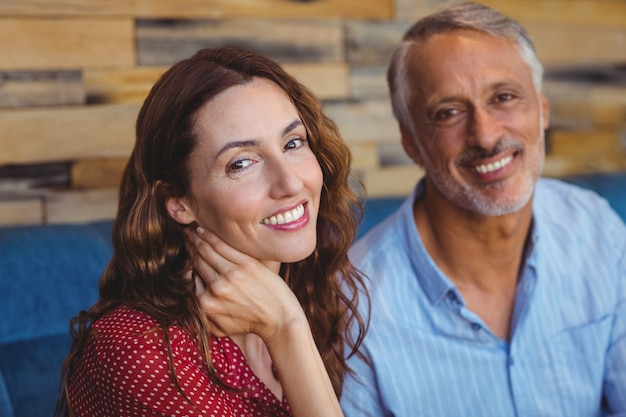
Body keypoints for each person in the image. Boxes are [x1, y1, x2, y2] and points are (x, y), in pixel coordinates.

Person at [340, 2, 626, 416]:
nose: (487, 135)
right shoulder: (354, 311)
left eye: (504, 97)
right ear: (410, 142)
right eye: (449, 112)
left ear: (542, 110)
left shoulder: (596, 228)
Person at [55, 46, 368, 417]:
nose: (290, 183)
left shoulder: (311, 287)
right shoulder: (139, 350)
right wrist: (287, 329)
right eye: (241, 163)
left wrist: (290, 323)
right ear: (180, 202)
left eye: (293, 143)